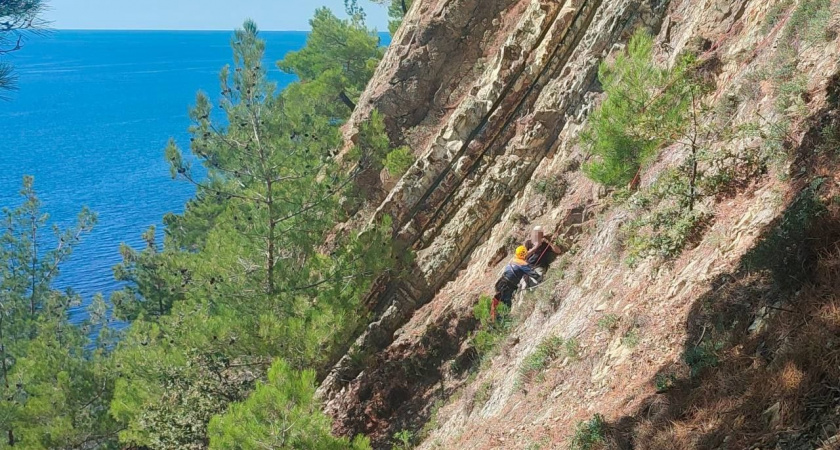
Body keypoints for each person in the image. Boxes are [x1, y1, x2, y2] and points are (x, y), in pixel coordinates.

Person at [491, 245, 539, 321]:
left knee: (498, 302)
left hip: (500, 283)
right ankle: (501, 322)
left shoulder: (514, 260)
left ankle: (494, 319)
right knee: (506, 305)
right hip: (507, 287)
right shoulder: (523, 264)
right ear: (524, 254)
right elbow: (535, 275)